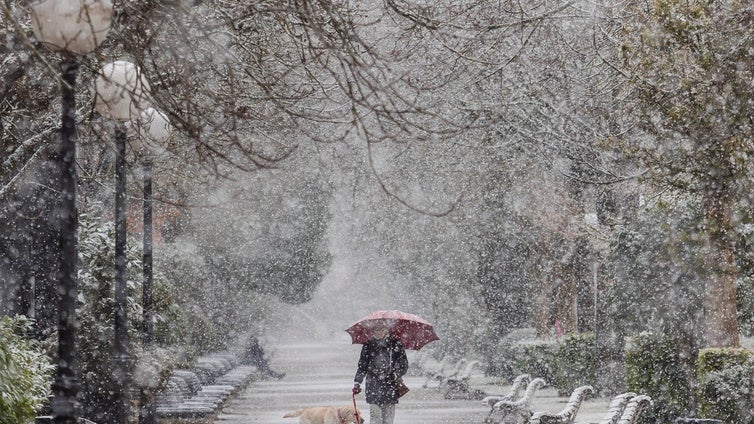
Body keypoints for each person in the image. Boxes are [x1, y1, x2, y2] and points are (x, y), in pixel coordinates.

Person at [352, 324, 408, 424]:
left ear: (387, 330)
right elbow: (362, 365)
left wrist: (396, 374)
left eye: (382, 329)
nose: (379, 332)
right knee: (375, 418)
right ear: (372, 332)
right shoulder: (368, 345)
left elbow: (403, 364)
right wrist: (357, 382)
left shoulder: (395, 345)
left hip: (390, 386)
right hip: (373, 385)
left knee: (388, 420)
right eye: (376, 330)